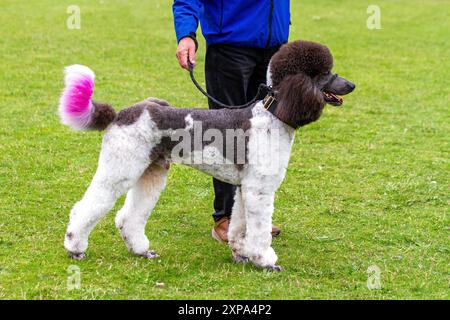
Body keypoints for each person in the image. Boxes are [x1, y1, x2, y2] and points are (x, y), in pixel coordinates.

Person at [172, 0, 290, 242]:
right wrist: (186, 34)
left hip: (274, 48)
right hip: (230, 47)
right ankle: (225, 217)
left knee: (265, 135)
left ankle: (253, 217)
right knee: (229, 136)